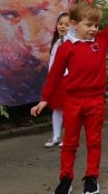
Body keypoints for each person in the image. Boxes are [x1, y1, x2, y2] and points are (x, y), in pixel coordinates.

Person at [31, 0, 108, 194]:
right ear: (74, 24)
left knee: (94, 142)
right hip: (73, 101)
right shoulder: (66, 48)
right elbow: (54, 75)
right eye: (89, 25)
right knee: (69, 143)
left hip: (95, 101)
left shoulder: (101, 41)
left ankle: (91, 178)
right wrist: (44, 99)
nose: (93, 29)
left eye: (96, 25)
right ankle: (65, 179)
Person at [42, 12, 70, 148]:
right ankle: (56, 136)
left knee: (67, 110)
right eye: (60, 24)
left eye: (66, 24)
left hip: (67, 79)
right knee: (56, 109)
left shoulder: (71, 42)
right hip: (56, 81)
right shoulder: (56, 42)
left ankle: (67, 137)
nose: (63, 27)